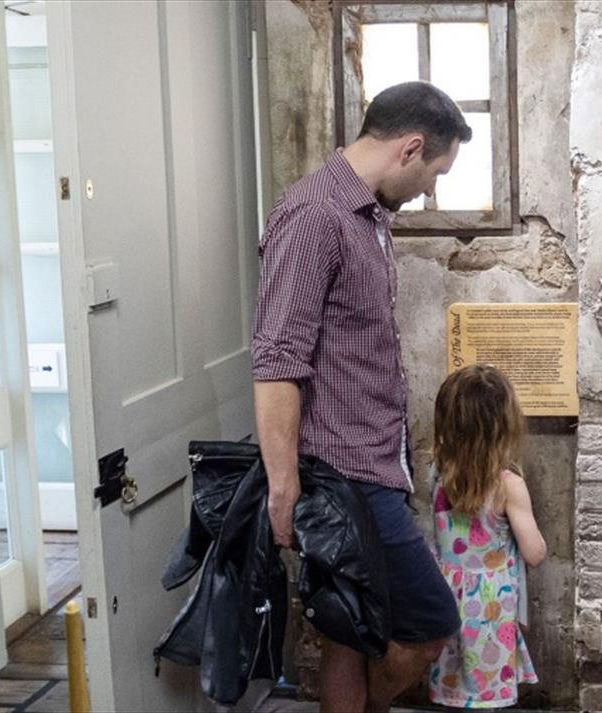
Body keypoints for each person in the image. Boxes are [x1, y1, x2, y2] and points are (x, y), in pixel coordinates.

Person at [251, 81, 472, 713]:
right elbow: (276, 359)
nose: (431, 189)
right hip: (343, 473)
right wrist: (284, 485)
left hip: (372, 461)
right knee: (431, 623)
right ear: (410, 148)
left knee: (348, 634)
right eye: (435, 172)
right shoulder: (315, 215)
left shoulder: (368, 215)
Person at [427, 365, 545, 709]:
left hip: (445, 596)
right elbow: (534, 553)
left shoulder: (437, 473)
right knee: (486, 694)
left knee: (454, 690)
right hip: (490, 605)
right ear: (504, 425)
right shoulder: (508, 485)